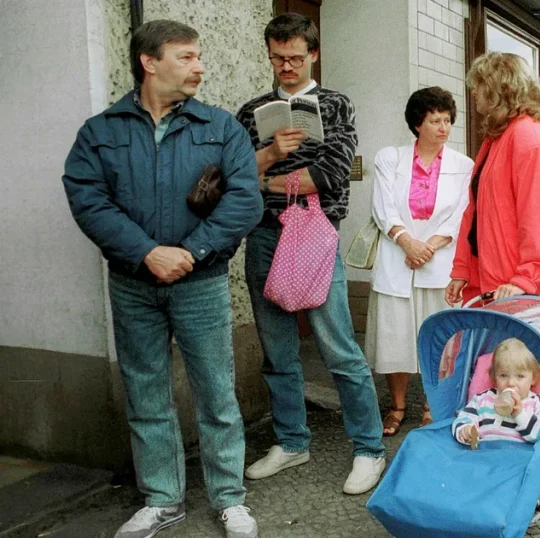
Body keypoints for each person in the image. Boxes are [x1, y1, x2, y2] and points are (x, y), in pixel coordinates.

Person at [62, 20, 263, 538]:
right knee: (146, 391)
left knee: (217, 392)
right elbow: (87, 199)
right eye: (187, 56)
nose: (200, 66)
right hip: (134, 285)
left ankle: (229, 498)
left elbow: (245, 199)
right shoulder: (100, 132)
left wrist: (189, 251)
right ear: (149, 62)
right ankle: (161, 498)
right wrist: (147, 252)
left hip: (201, 283)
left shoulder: (222, 127)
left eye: (199, 57)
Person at [236, 14, 386, 495]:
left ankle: (368, 449)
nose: (286, 65)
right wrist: (269, 159)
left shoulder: (336, 103)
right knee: (278, 351)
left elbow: (335, 170)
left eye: (296, 57)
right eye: (278, 57)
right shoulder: (251, 110)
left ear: (313, 54)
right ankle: (291, 441)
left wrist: (269, 180)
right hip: (263, 233)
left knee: (338, 346)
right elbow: (233, 176)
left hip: (316, 231)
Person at [366, 87, 474, 437]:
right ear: (417, 124)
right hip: (398, 257)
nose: (443, 127)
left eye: (447, 120)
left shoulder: (463, 165)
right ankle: (397, 406)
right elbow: (384, 208)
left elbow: (462, 214)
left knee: (437, 337)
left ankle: (432, 404)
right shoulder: (390, 158)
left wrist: (429, 246)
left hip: (438, 260)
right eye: (434, 120)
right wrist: (407, 241)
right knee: (395, 335)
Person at [445, 52, 540, 306]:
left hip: (511, 285)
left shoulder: (526, 135)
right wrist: (463, 270)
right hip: (491, 281)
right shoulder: (498, 137)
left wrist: (526, 279)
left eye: (480, 84)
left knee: (509, 347)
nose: (474, 92)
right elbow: (475, 211)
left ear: (499, 88)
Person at [452, 338, 540, 445]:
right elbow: (464, 418)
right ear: (494, 377)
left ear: (533, 378)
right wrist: (466, 431)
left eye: (520, 376)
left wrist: (520, 414)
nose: (511, 383)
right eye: (503, 375)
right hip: (486, 455)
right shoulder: (482, 400)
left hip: (523, 458)